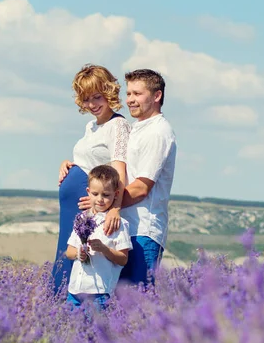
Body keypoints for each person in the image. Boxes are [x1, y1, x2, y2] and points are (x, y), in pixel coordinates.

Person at [52, 64, 130, 294]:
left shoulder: (118, 125)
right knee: (66, 256)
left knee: (84, 265)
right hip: (72, 208)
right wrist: (68, 164)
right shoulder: (91, 126)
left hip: (91, 210)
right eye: (86, 99)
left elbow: (119, 171)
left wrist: (115, 208)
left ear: (109, 93)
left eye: (98, 97)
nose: (92, 104)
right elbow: (90, 162)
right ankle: (59, 315)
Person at [119, 68, 177, 286]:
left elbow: (141, 187)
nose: (130, 100)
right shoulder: (137, 129)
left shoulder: (158, 132)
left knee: (137, 306)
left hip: (143, 232)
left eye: (137, 94)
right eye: (129, 94)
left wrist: (105, 208)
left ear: (157, 96)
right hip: (124, 229)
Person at [66, 165, 132, 310]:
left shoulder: (118, 224)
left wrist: (104, 249)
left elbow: (123, 259)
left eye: (106, 195)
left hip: (99, 292)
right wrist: (79, 253)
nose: (100, 199)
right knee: (70, 328)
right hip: (75, 290)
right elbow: (69, 252)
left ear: (116, 194)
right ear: (88, 192)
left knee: (94, 330)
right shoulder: (81, 219)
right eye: (95, 194)